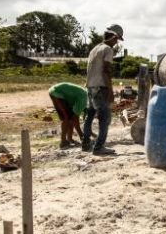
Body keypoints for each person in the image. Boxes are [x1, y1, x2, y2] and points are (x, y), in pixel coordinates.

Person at [82, 24, 124, 155]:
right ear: (114, 37)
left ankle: (85, 144)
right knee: (104, 118)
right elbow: (106, 71)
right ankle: (99, 147)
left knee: (89, 116)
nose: (116, 43)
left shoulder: (94, 49)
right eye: (117, 40)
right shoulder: (108, 49)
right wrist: (110, 91)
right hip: (101, 87)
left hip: (90, 86)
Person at [48, 82, 87, 149]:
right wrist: (81, 135)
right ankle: (63, 142)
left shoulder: (85, 98)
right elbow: (75, 117)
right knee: (65, 118)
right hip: (57, 93)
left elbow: (74, 117)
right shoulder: (83, 99)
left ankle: (69, 139)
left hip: (63, 95)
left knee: (70, 117)